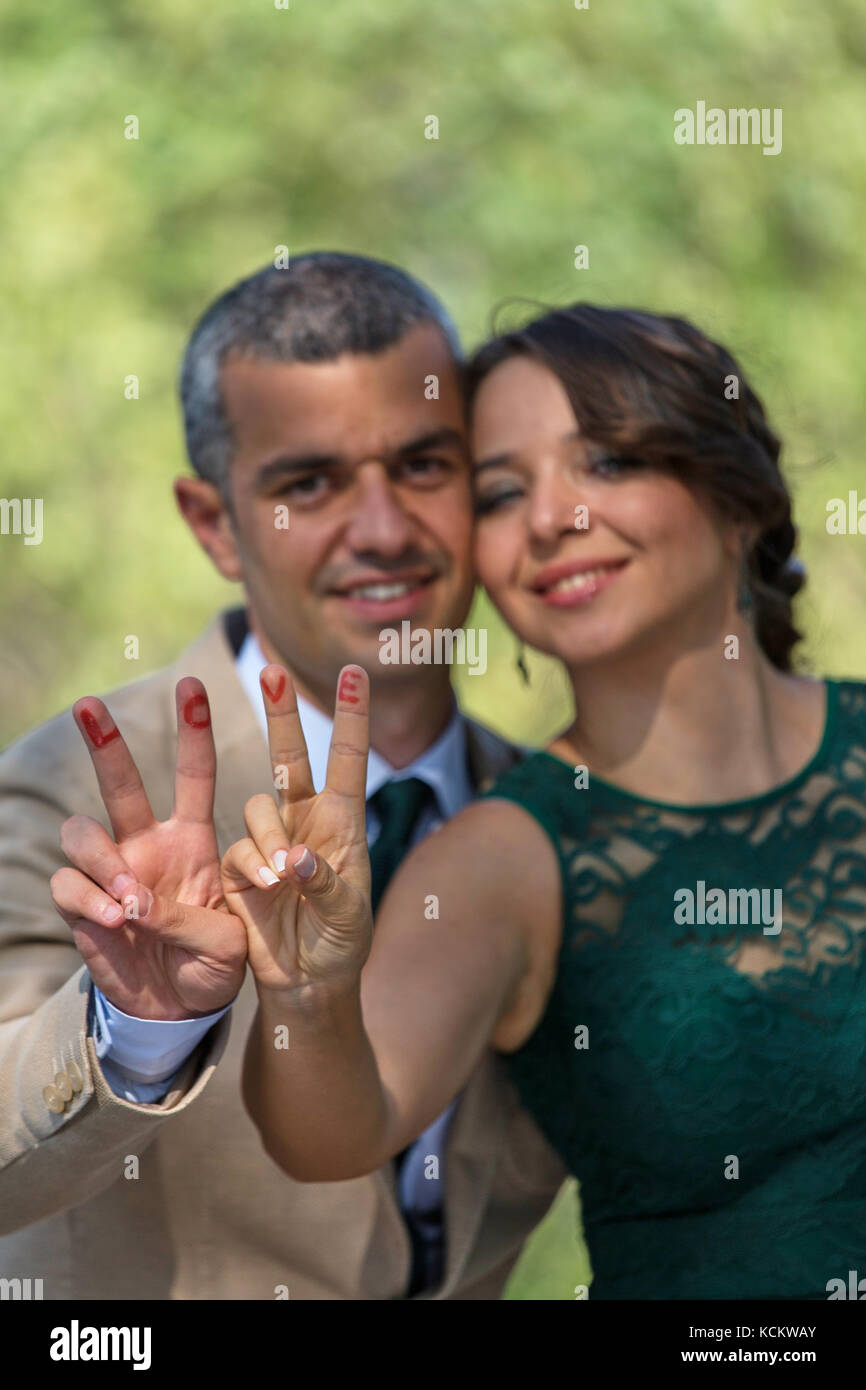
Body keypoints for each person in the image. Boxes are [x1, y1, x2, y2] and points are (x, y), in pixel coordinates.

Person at [207, 303, 866, 1300]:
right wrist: (305, 995)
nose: (551, 518)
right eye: (503, 492)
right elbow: (333, 1131)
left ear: (738, 500)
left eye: (604, 462)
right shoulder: (503, 855)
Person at [0, 254, 566, 1301]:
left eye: (423, 465)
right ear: (213, 523)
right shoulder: (71, 790)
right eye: (308, 483)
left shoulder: (549, 814)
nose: (385, 529)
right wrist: (140, 1027)